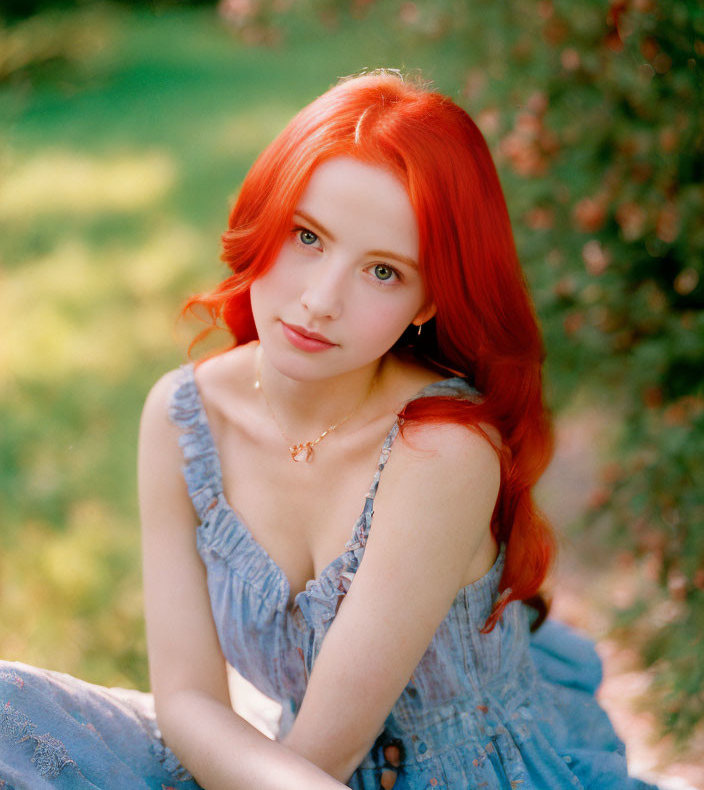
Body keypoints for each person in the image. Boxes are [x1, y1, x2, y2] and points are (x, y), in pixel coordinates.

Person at [0, 70, 657, 790]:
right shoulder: (184, 418)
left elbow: (329, 753)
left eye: (382, 272)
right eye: (307, 236)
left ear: (427, 302)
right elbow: (186, 701)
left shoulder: (442, 450)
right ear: (266, 217)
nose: (319, 301)